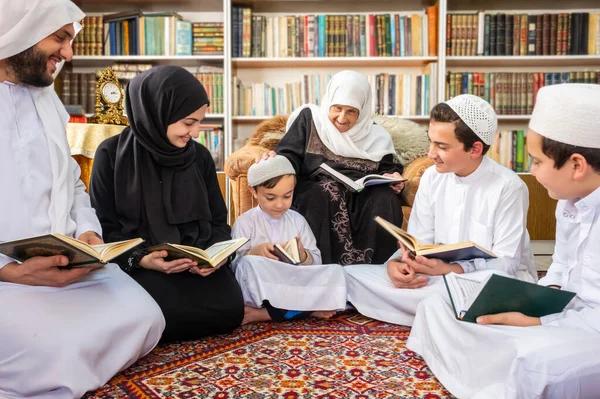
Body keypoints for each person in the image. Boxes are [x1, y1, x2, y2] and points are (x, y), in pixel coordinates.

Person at [0, 1, 165, 397]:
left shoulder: (48, 101)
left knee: (147, 318)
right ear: (19, 29)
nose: (68, 54)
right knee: (61, 350)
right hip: (7, 276)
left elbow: (73, 183)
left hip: (61, 263)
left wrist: (88, 233)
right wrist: (9, 272)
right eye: (60, 38)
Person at [406, 84, 600, 398]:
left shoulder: (510, 187)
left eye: (536, 162)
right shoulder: (569, 204)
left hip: (589, 329)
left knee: (528, 360)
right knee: (435, 305)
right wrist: (541, 299)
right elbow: (561, 268)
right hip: (564, 314)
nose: (532, 172)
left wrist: (542, 322)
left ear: (576, 165)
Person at [344, 94, 537, 326]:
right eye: (431, 141)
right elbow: (419, 242)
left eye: (442, 146)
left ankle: (437, 310)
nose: (430, 154)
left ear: (475, 149)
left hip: (483, 279)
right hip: (435, 278)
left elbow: (507, 264)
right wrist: (398, 265)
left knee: (482, 288)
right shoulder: (432, 178)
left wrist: (451, 269)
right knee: (351, 275)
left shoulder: (509, 187)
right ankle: (441, 312)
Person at [90, 65, 244, 343]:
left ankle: (149, 326)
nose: (195, 133)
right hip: (141, 267)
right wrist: (143, 259)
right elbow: (105, 228)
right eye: (188, 123)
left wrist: (215, 258)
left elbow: (219, 222)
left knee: (231, 310)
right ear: (158, 114)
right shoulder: (110, 155)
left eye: (199, 122)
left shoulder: (199, 157)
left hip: (195, 267)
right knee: (151, 309)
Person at [275, 70, 405, 265]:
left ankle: (377, 269)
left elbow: (387, 167)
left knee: (384, 197)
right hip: (317, 190)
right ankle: (324, 267)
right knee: (328, 190)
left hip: (360, 195)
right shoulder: (311, 120)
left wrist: (393, 176)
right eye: (337, 108)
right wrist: (276, 162)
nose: (342, 118)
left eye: (351, 111)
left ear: (362, 110)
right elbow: (288, 155)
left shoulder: (376, 135)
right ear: (328, 103)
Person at [231, 155, 346, 324]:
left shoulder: (297, 220)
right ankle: (305, 310)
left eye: (287, 196)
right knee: (248, 264)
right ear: (253, 191)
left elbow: (317, 262)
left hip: (294, 280)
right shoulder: (244, 222)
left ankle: (269, 313)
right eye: (271, 197)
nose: (279, 204)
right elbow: (235, 267)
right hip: (265, 286)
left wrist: (304, 255)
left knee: (337, 271)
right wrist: (253, 253)